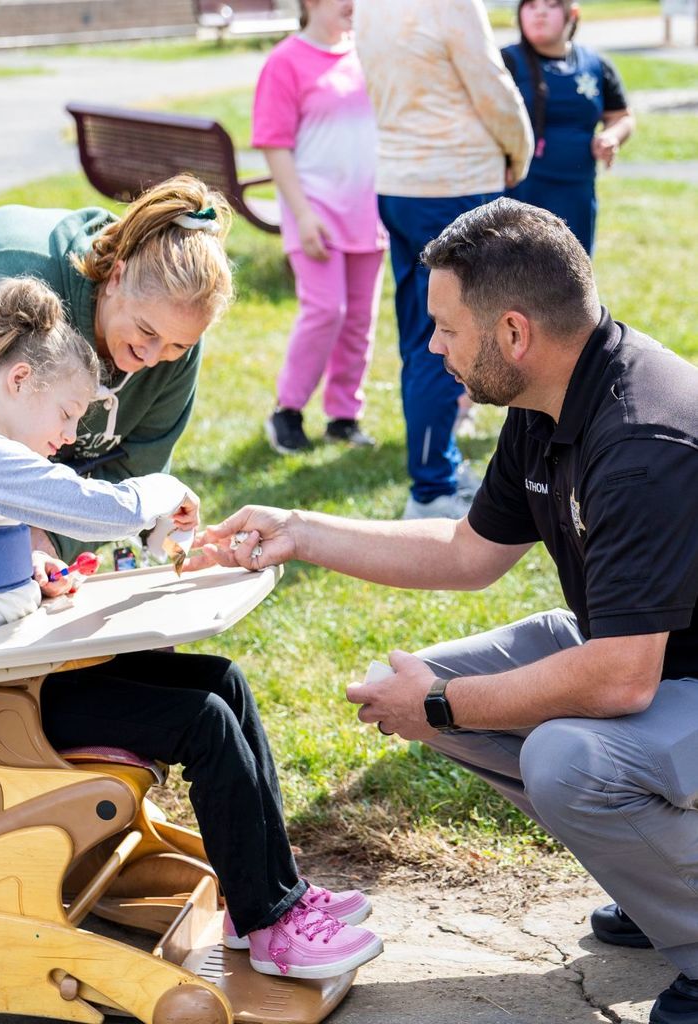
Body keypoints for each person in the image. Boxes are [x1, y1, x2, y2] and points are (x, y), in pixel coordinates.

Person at [192, 199, 698, 1024]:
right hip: (658, 661)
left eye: (444, 329)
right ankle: (660, 878)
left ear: (511, 333)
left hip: (653, 670)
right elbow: (467, 554)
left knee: (566, 758)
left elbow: (618, 681)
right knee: (409, 691)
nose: (432, 347)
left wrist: (438, 703)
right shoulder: (553, 400)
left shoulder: (642, 441)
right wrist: (299, 531)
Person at [0, 274, 383, 980]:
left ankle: (269, 900)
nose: (66, 436)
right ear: (19, 381)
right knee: (202, 720)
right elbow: (95, 506)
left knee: (222, 681)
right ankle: (274, 927)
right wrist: (161, 494)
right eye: (66, 414)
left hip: (8, 679)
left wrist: (31, 574)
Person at [0, 174, 229, 567]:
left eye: (177, 345)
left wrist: (49, 546)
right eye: (145, 331)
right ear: (116, 277)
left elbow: (131, 470)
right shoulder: (17, 283)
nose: (152, 357)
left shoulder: (175, 347)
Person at [353, 0, 533, 520]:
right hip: (456, 180)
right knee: (459, 335)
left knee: (423, 336)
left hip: (401, 181)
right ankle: (432, 488)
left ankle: (437, 471)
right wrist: (519, 154)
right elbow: (491, 84)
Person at [252, 0, 387, 454]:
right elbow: (274, 144)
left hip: (368, 210)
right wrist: (303, 213)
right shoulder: (285, 60)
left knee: (359, 320)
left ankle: (343, 417)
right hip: (314, 210)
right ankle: (286, 412)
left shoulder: (366, 52)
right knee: (326, 311)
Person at [502, 0, 634, 255]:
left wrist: (610, 136)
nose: (539, 13)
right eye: (530, 6)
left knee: (570, 280)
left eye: (551, 5)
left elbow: (622, 116)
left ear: (572, 14)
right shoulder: (505, 62)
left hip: (576, 195)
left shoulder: (595, 65)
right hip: (518, 195)